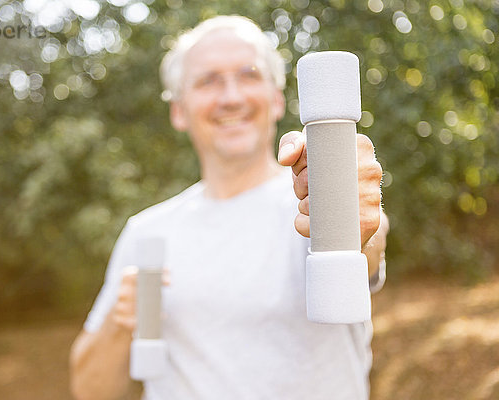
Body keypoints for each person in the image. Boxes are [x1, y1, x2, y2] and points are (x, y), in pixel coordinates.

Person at [70, 15, 388, 400]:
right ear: (178, 110)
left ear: (275, 98)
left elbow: (366, 242)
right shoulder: (147, 231)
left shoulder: (314, 201)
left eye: (249, 75)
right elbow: (89, 391)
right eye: (208, 81)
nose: (231, 97)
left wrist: (350, 215)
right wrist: (119, 326)